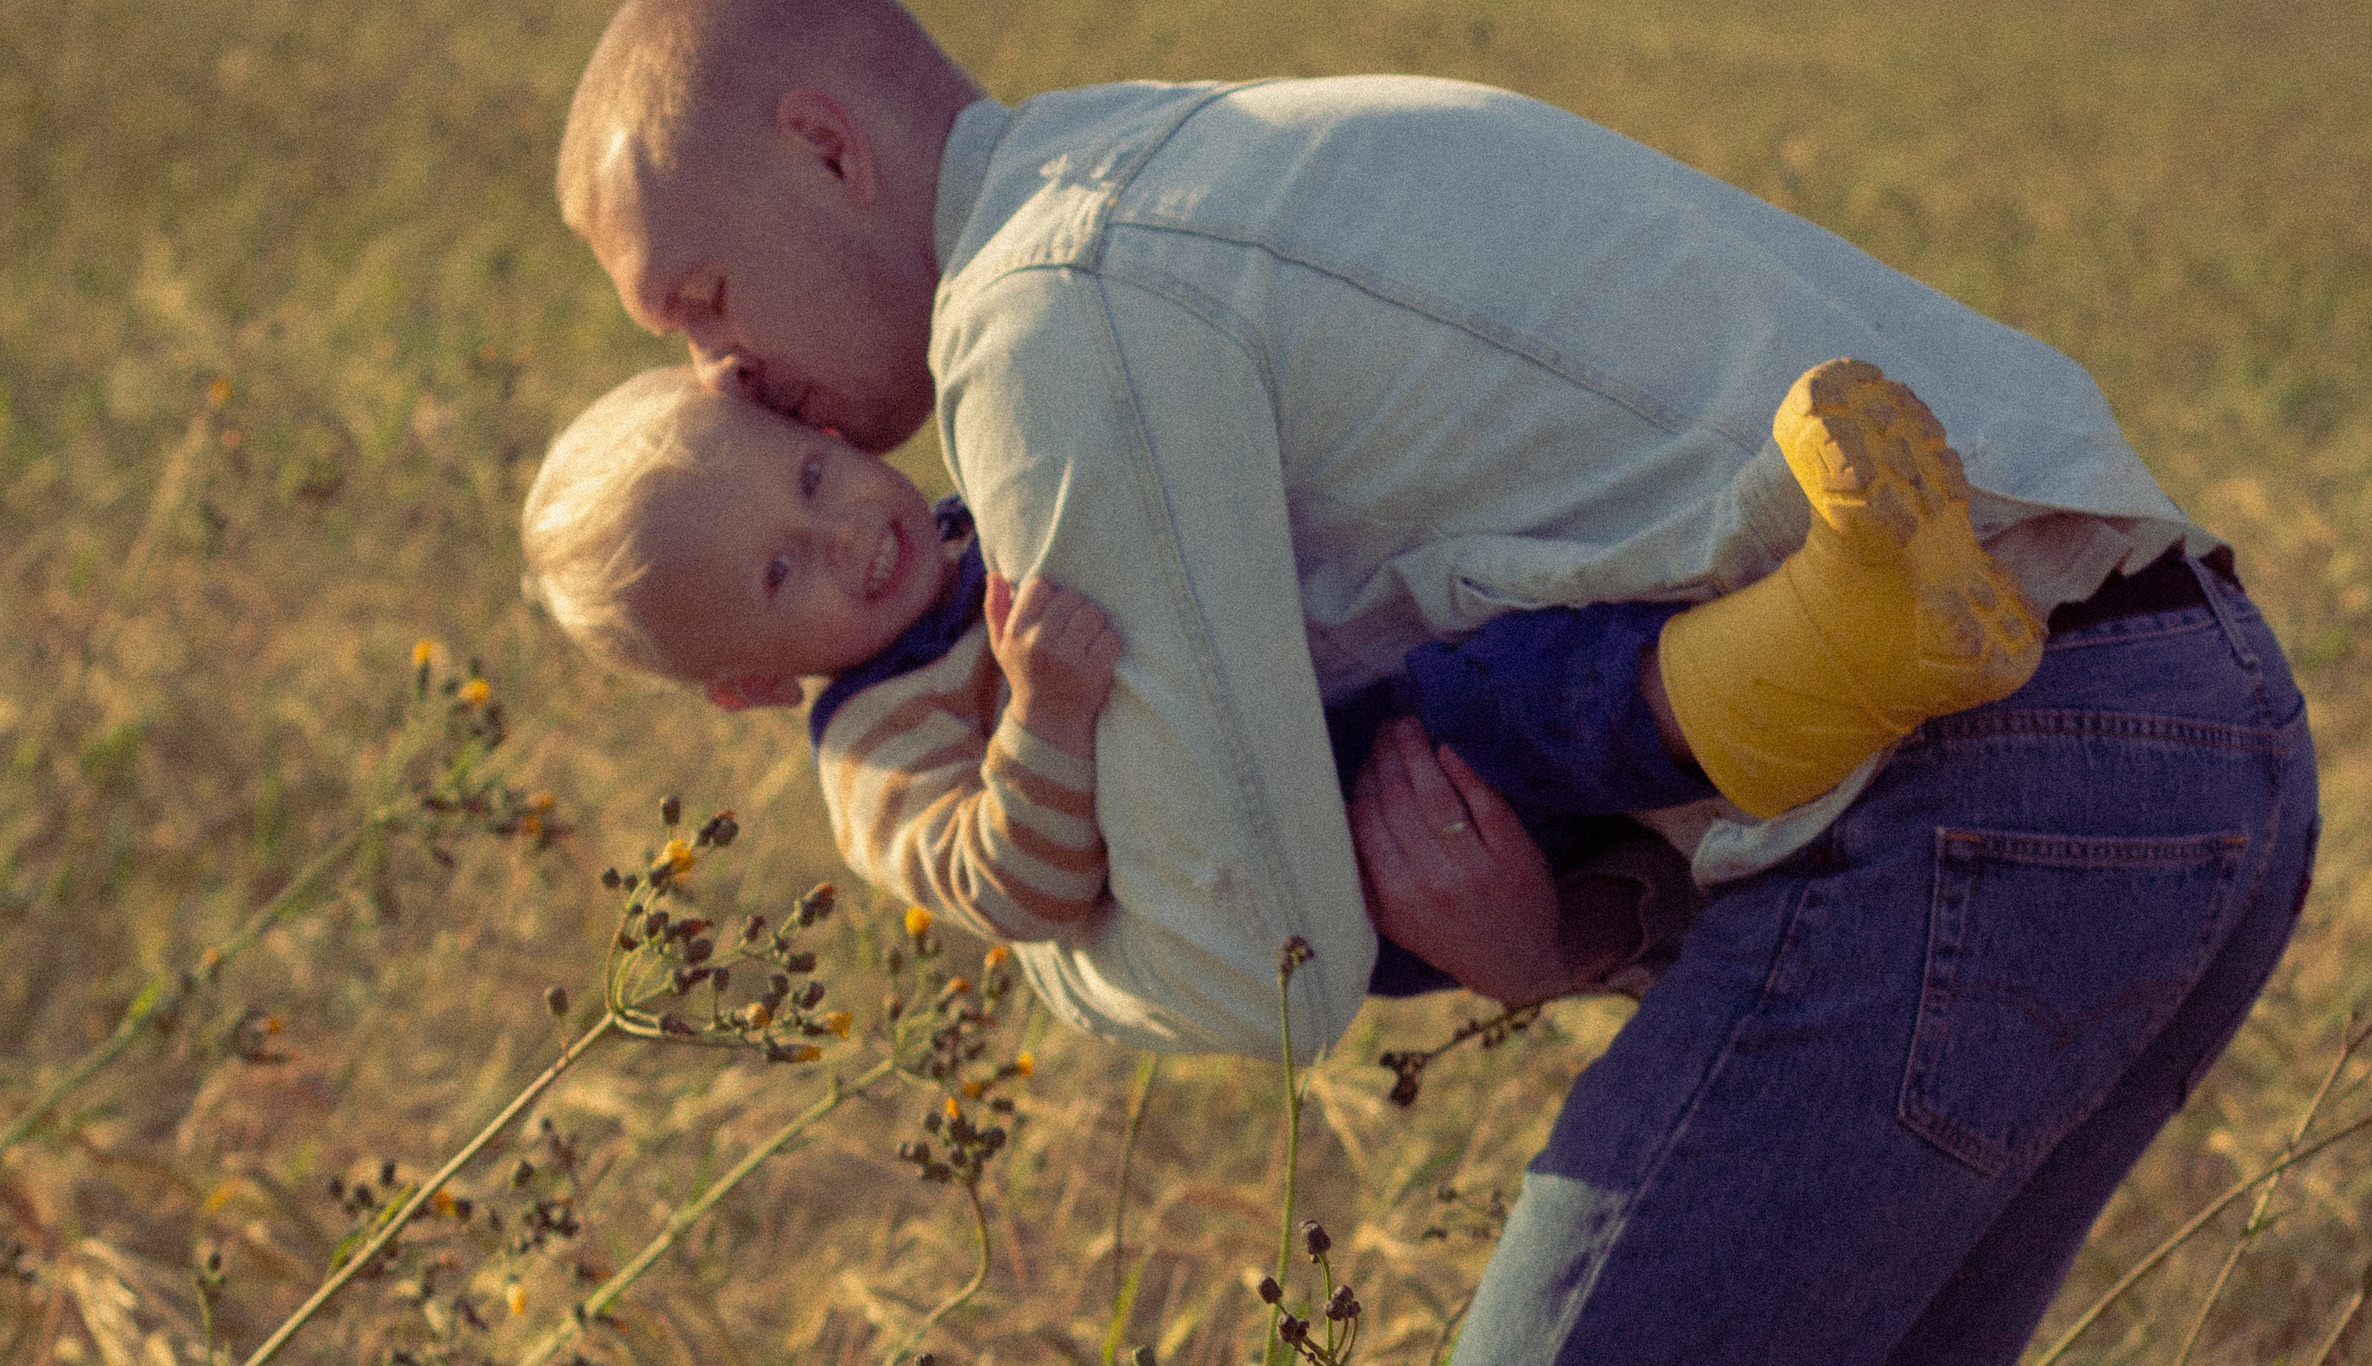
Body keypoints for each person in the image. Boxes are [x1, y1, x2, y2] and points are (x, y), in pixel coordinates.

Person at [555, 0, 2319, 1366]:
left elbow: (1264, 965)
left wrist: (1062, 946)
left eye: (700, 299)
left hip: (1979, 795)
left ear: (827, 148)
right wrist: (1558, 940)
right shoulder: (1197, 166)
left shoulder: (1053, 307)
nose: (724, 376)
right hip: (2178, 725)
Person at [518, 354, 2050, 969]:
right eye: (779, 574)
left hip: (1331, 722)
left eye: (808, 475)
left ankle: (1821, 589)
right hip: (1334, 854)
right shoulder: (872, 747)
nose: (842, 531)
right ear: (745, 685)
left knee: (1523, 650)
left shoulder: (973, 512)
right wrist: (1045, 711)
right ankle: (1848, 644)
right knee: (1497, 703)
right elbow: (1009, 887)